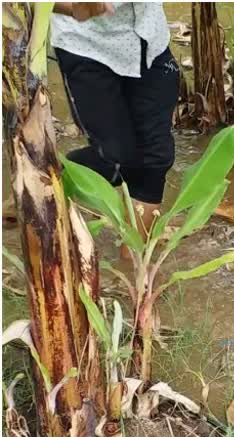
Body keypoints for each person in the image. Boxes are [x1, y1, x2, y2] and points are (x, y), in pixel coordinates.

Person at [51, 2, 179, 254]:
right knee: (114, 159)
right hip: (87, 46)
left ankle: (135, 269)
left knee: (154, 158)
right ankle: (43, 182)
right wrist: (67, 5)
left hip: (150, 40)